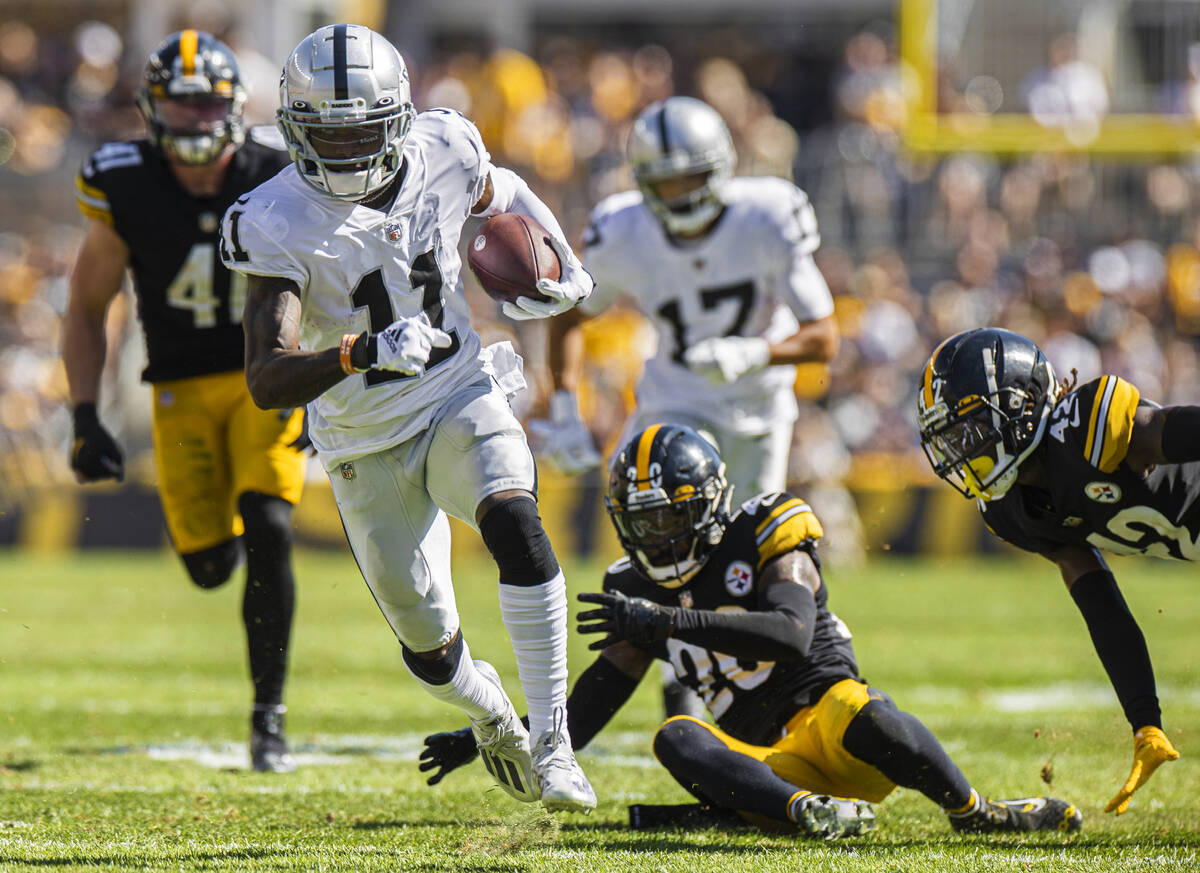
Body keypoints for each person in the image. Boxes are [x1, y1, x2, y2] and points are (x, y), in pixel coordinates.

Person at [220, 24, 594, 811]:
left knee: (515, 522)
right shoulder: (276, 215)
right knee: (429, 648)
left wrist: (559, 257)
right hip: (362, 437)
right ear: (294, 129)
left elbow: (505, 193)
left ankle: (556, 744)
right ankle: (493, 714)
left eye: (363, 129)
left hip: (456, 387)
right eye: (329, 132)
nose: (349, 148)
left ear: (397, 117)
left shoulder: (448, 145)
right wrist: (358, 352)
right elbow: (265, 377)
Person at [418, 424, 1083, 838]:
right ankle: (804, 813)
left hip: (837, 729)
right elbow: (592, 702)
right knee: (676, 736)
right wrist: (493, 735)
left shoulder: (768, 529)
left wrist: (668, 621)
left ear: (708, 503)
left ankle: (976, 809)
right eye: (642, 521)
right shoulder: (636, 585)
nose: (657, 535)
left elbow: (791, 633)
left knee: (860, 706)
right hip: (772, 767)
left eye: (668, 517)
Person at [534, 95, 841, 719]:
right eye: (663, 180)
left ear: (721, 167)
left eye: (689, 177)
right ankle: (672, 669)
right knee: (654, 527)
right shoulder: (622, 230)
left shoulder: (767, 215)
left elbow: (824, 337)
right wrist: (565, 404)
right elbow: (572, 315)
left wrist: (753, 352)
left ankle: (749, 687)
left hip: (758, 403)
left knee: (748, 554)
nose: (677, 195)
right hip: (675, 395)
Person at [63, 30, 304, 773]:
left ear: (236, 107)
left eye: (209, 103)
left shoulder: (278, 171)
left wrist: (328, 386)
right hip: (175, 385)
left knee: (268, 522)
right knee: (207, 566)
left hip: (262, 375)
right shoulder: (122, 179)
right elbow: (84, 305)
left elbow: (336, 274)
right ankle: (219, 557)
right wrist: (82, 414)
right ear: (150, 107)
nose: (197, 119)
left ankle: (269, 714)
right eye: (181, 102)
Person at [917, 326, 1197, 815]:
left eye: (974, 428)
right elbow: (1099, 601)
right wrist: (1144, 721)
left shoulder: (1086, 428)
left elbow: (1172, 428)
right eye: (954, 437)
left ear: (1023, 407)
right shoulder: (1011, 510)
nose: (965, 448)